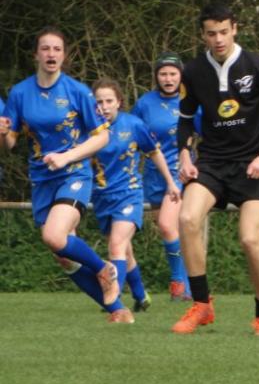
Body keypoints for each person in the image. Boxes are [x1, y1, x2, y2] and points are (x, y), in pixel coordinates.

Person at [171, 2, 259, 336]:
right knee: (186, 218)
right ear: (203, 35)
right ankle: (201, 305)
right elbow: (184, 122)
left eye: (223, 32)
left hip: (252, 165)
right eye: (211, 34)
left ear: (235, 29)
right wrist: (184, 154)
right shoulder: (194, 71)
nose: (218, 39)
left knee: (250, 239)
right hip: (211, 162)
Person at [0, 27, 122, 319]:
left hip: (74, 174)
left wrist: (67, 157)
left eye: (56, 49)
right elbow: (11, 143)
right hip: (42, 178)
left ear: (64, 55)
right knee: (63, 256)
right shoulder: (20, 93)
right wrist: (3, 134)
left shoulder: (77, 91)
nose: (51, 54)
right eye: (45, 48)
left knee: (55, 237)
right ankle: (117, 309)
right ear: (36, 55)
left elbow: (102, 137)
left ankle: (105, 269)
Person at [92, 78, 181, 313]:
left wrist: (171, 183)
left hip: (129, 194)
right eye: (99, 101)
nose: (104, 106)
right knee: (125, 251)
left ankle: (114, 299)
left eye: (109, 100)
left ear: (119, 102)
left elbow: (155, 153)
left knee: (116, 245)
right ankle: (141, 296)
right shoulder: (89, 129)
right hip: (102, 197)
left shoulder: (133, 125)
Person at [133, 52, 199, 301]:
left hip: (179, 174)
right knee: (171, 231)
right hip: (152, 175)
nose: (168, 78)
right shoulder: (144, 103)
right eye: (163, 73)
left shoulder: (190, 102)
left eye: (173, 73)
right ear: (156, 76)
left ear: (181, 75)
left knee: (166, 224)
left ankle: (178, 284)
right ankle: (188, 287)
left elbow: (206, 133)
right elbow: (132, 135)